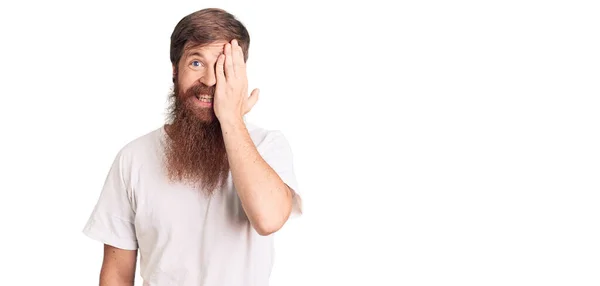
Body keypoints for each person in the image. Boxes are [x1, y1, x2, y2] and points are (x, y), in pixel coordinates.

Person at [82, 8, 303, 286]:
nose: (210, 80)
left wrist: (231, 118)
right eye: (196, 63)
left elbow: (268, 219)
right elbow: (116, 275)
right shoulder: (133, 158)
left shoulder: (267, 146)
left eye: (223, 66)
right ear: (175, 70)